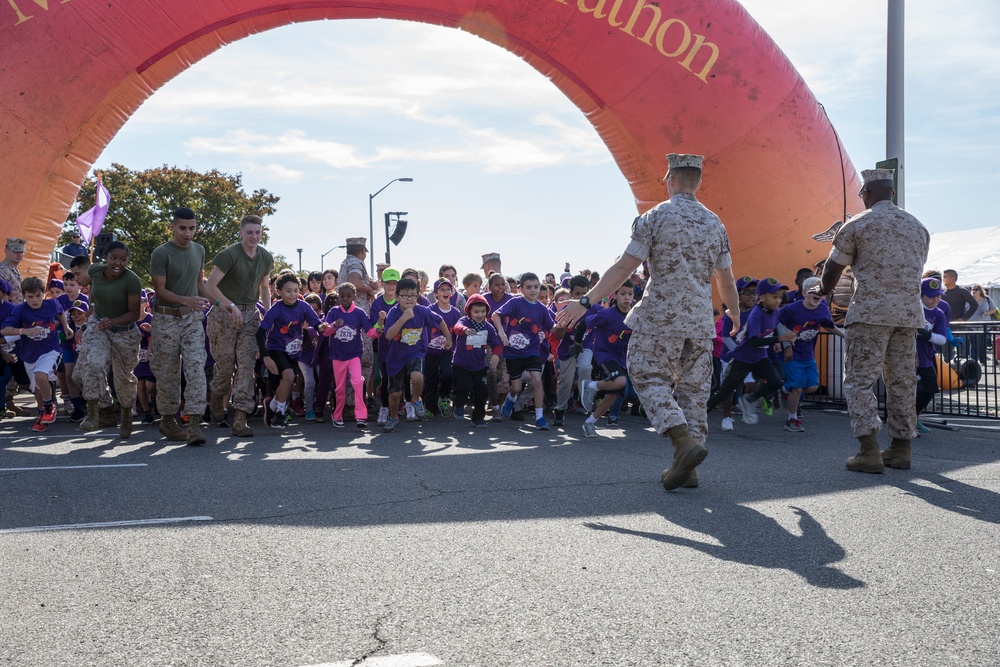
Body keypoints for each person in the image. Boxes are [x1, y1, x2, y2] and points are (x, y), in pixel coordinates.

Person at [558, 153, 740, 491]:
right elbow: (725, 279)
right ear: (699, 182)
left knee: (645, 374)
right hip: (700, 321)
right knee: (694, 392)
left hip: (660, 317)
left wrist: (585, 301)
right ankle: (687, 468)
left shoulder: (655, 217)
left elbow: (624, 268)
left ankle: (683, 442)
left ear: (669, 178)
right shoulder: (715, 223)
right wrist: (734, 312)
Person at [816, 167, 930, 473]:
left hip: (869, 314)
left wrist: (823, 291)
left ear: (865, 194)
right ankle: (901, 448)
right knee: (902, 381)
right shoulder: (917, 227)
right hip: (907, 315)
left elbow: (833, 266)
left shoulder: (858, 224)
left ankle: (868, 450)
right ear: (891, 193)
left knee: (860, 381)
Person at [204, 214, 274, 437]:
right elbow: (210, 286)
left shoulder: (265, 257)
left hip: (250, 315)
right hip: (224, 314)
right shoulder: (229, 255)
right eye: (250, 232)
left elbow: (264, 287)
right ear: (241, 232)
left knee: (246, 366)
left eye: (258, 232)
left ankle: (241, 417)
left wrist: (269, 311)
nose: (254, 236)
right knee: (225, 364)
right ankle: (216, 395)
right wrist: (229, 305)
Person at [149, 207, 212, 446]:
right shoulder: (161, 253)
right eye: (183, 228)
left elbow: (200, 284)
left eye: (192, 228)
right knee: (168, 372)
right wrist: (188, 299)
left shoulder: (199, 250)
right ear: (173, 227)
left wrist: (222, 304)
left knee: (196, 365)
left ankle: (194, 423)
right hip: (165, 318)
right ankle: (168, 419)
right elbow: (160, 290)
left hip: (191, 318)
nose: (188, 233)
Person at [76, 241, 143, 437]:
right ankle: (93, 412)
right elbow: (90, 287)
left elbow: (133, 314)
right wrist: (92, 310)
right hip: (100, 327)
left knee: (123, 379)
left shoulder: (132, 280)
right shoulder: (96, 270)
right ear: (106, 258)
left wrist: (112, 320)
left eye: (123, 259)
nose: (118, 263)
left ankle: (125, 414)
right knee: (94, 364)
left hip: (125, 331)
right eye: (114, 258)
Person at [706, 278, 796, 423]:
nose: (778, 300)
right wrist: (778, 339)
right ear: (764, 297)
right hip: (743, 359)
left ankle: (750, 400)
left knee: (776, 382)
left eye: (780, 296)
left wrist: (788, 338)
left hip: (760, 358)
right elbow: (754, 342)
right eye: (774, 297)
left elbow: (778, 326)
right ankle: (700, 415)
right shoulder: (756, 314)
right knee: (725, 392)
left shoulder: (774, 312)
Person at [0, 277, 73, 432]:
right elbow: (5, 330)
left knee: (41, 376)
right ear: (24, 296)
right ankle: (42, 415)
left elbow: (60, 313)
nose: (34, 300)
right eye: (30, 297)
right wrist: (24, 331)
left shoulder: (51, 304)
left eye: (38, 296)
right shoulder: (20, 310)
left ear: (44, 293)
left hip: (50, 350)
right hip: (29, 354)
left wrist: (66, 327)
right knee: (37, 388)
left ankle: (49, 407)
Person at [257, 273, 328, 428]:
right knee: (288, 376)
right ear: (279, 291)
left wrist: (324, 327)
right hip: (276, 348)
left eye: (296, 290)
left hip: (294, 350)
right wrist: (266, 357)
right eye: (288, 291)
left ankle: (273, 404)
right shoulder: (276, 309)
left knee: (287, 381)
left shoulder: (303, 306)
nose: (293, 294)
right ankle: (280, 414)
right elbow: (260, 332)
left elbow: (316, 324)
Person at [382, 277, 452, 432]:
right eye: (405, 295)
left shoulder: (422, 310)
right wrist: (403, 318)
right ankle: (393, 417)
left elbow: (439, 320)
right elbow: (388, 335)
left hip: (416, 351)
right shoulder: (393, 313)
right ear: (397, 296)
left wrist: (448, 338)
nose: (409, 299)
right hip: (396, 356)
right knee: (395, 394)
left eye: (413, 295)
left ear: (418, 296)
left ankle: (415, 399)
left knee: (417, 377)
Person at [777, 276, 844, 432]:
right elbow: (778, 322)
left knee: (813, 386)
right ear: (804, 292)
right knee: (798, 388)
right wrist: (786, 343)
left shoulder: (823, 308)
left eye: (822, 291)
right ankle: (791, 419)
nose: (818, 293)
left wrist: (845, 336)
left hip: (808, 354)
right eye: (814, 290)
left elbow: (829, 326)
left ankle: (785, 388)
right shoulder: (792, 308)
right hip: (792, 354)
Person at [493, 272, 557, 430]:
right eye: (529, 287)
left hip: (533, 350)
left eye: (536, 287)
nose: (533, 290)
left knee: (537, 380)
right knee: (516, 388)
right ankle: (511, 399)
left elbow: (553, 327)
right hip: (513, 351)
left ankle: (540, 418)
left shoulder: (542, 309)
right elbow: (496, 315)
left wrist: (563, 324)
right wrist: (501, 332)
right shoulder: (515, 303)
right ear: (521, 289)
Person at [579, 282, 634, 437]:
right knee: (620, 381)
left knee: (613, 395)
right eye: (622, 293)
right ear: (614, 296)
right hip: (604, 354)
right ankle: (590, 385)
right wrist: (578, 343)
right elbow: (585, 322)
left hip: (621, 358)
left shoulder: (634, 316)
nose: (626, 297)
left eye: (630, 294)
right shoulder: (607, 314)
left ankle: (589, 422)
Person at [323, 282, 372, 428]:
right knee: (340, 388)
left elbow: (370, 331)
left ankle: (361, 416)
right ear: (338, 296)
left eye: (348, 296)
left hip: (354, 355)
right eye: (342, 296)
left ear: (354, 297)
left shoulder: (359, 313)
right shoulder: (333, 312)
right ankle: (337, 415)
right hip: (337, 356)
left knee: (358, 382)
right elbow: (326, 332)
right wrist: (334, 325)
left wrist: (379, 330)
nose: (345, 299)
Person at [339, 237, 380, 409]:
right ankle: (354, 405)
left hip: (347, 319)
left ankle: (351, 405)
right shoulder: (356, 262)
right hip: (358, 320)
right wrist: (370, 289)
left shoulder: (345, 262)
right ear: (363, 250)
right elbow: (354, 282)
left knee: (350, 363)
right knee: (363, 362)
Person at [450, 293, 502, 426]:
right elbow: (457, 328)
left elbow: (497, 343)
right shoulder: (464, 321)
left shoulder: (488, 327)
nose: (480, 315)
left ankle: (478, 417)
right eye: (476, 311)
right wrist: (465, 330)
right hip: (462, 363)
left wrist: (496, 354)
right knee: (465, 385)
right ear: (469, 311)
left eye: (483, 311)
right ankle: (459, 405)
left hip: (479, 365)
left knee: (482, 392)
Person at [551, 275, 590, 425]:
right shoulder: (566, 311)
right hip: (567, 348)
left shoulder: (593, 308)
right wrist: (562, 326)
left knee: (586, 367)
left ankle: (585, 398)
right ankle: (560, 409)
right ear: (571, 294)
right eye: (577, 294)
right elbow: (559, 336)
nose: (581, 297)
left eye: (584, 294)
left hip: (586, 345)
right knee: (565, 381)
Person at [914, 277, 948, 441]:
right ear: (921, 295)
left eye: (938, 296)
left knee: (929, 388)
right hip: (906, 356)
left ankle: (912, 417)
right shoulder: (912, 309)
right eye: (931, 296)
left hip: (925, 357)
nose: (935, 299)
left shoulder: (939, 313)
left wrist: (927, 334)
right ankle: (904, 420)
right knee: (912, 389)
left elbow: (942, 339)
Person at [425, 279, 461, 416]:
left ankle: (444, 398)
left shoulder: (456, 312)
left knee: (448, 374)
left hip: (447, 351)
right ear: (435, 293)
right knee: (430, 379)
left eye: (448, 289)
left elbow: (456, 333)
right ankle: (430, 407)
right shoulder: (430, 310)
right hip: (430, 350)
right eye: (442, 290)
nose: (445, 292)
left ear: (452, 292)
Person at [369, 267, 400, 425]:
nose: (391, 286)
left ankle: (405, 405)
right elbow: (374, 329)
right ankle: (384, 408)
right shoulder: (377, 303)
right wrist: (381, 321)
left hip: (401, 348)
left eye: (394, 283)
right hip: (384, 349)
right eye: (388, 283)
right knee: (385, 379)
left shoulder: (402, 301)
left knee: (401, 379)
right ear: (381, 283)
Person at [0, 238, 27, 304]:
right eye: (16, 251)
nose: (20, 254)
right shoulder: (3, 270)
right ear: (6, 251)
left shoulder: (15, 270)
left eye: (22, 252)